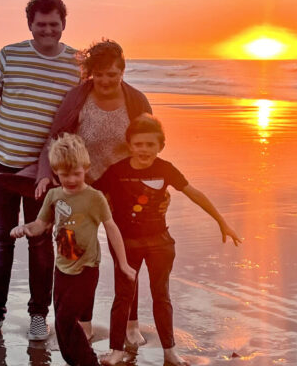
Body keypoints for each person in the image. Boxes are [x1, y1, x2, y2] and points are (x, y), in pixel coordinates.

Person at [0, 0, 82, 343]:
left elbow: (82, 119)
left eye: (54, 25)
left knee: (40, 243)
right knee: (1, 243)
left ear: (64, 24)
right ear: (30, 25)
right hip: (1, 166)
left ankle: (38, 315)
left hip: (45, 175)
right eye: (41, 25)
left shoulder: (78, 64)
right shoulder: (9, 55)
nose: (47, 31)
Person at [95, 114, 242, 366]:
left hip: (159, 243)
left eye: (150, 144)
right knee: (123, 296)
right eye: (138, 144)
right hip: (126, 244)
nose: (144, 150)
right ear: (129, 145)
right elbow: (92, 197)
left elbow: (193, 192)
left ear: (160, 146)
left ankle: (170, 352)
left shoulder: (165, 169)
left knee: (161, 296)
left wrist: (221, 221)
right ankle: (116, 350)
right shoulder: (116, 171)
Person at [39, 39, 154, 342]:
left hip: (124, 188)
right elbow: (57, 137)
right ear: (90, 73)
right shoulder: (78, 98)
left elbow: (148, 144)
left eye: (112, 74)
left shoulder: (137, 100)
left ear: (122, 71)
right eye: (99, 74)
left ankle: (130, 323)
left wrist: (155, 182)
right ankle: (83, 322)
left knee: (125, 256)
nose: (105, 80)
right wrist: (50, 176)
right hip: (83, 188)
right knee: (79, 257)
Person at [11, 134, 137, 366]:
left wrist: (124, 264)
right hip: (62, 268)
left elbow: (112, 228)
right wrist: (25, 228)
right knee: (61, 324)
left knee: (68, 318)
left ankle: (89, 362)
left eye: (76, 173)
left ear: (86, 168)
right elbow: (41, 225)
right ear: (55, 172)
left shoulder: (94, 198)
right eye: (64, 174)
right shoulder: (53, 195)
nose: (70, 179)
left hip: (86, 269)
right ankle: (75, 361)